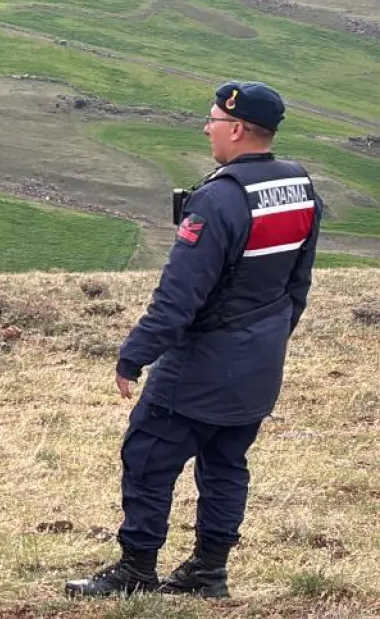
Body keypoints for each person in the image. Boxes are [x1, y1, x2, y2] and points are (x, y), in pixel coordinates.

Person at [66, 81, 321, 599]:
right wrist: (269, 339)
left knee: (148, 455)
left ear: (237, 128)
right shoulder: (299, 186)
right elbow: (298, 284)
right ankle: (209, 571)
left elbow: (178, 297)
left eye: (213, 120)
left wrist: (133, 356)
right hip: (259, 364)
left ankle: (136, 570)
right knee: (227, 462)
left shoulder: (219, 199)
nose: (207, 129)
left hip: (203, 363)